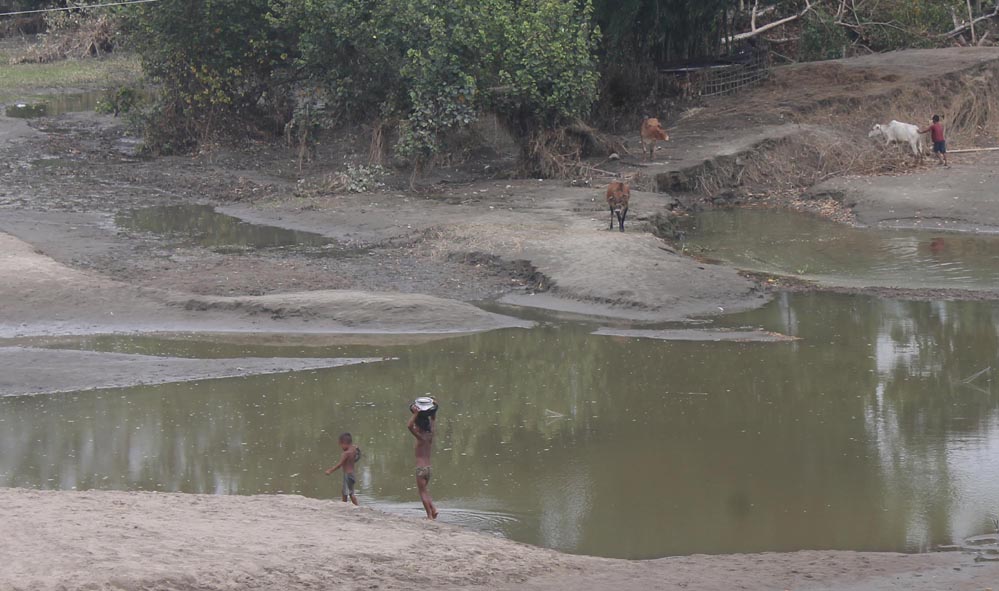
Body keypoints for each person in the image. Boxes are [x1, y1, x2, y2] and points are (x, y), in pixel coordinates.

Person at [408, 397, 438, 520]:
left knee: (422, 492)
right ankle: (433, 510)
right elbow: (433, 419)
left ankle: (429, 515)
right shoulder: (430, 435)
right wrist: (435, 408)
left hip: (420, 468)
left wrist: (415, 414)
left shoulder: (420, 437)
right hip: (429, 469)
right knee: (425, 490)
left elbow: (409, 426)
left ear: (418, 427)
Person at [324, 432, 360, 505]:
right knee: (346, 492)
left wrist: (330, 471)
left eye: (341, 444)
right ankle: (346, 505)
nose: (341, 447)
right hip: (352, 474)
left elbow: (340, 465)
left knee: (349, 493)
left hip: (347, 475)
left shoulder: (346, 453)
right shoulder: (353, 449)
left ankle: (354, 506)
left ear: (344, 443)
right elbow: (358, 455)